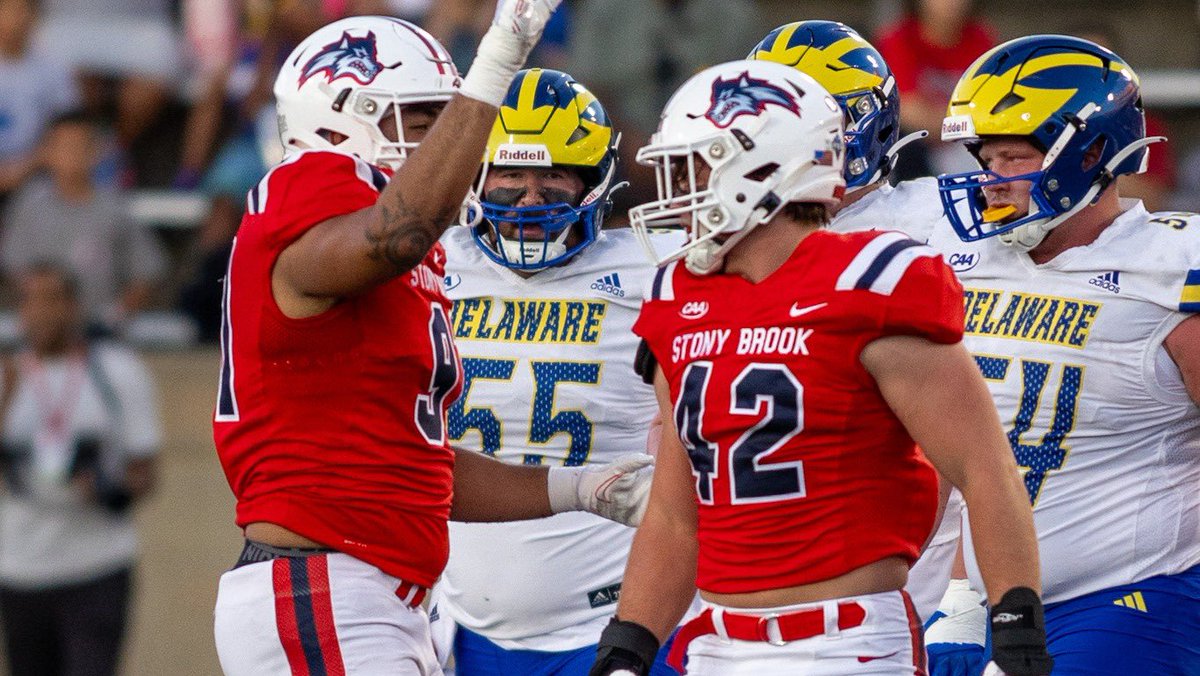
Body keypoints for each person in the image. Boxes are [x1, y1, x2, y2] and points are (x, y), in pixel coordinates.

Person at [211, 9, 657, 675]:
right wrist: (499, 56)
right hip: (323, 582)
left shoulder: (396, 265)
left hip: (380, 597)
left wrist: (583, 489)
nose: (457, 146)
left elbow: (420, 470)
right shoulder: (311, 189)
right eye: (426, 123)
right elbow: (398, 233)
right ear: (345, 117)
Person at [588, 58, 1052, 676]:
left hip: (845, 642)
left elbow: (985, 468)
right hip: (715, 643)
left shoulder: (873, 277)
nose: (675, 192)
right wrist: (628, 646)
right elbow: (677, 514)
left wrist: (1015, 626)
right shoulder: (677, 292)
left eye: (693, 166)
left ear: (759, 167)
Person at [926, 34, 1200, 674]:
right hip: (990, 600)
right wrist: (963, 594)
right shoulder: (963, 264)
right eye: (984, 159)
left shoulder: (1168, 275)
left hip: (1133, 593)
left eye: (1011, 158)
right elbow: (976, 456)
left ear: (1092, 151)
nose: (990, 181)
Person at [433, 67, 684, 675]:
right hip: (456, 626)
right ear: (477, 177)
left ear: (592, 182)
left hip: (620, 621)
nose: (531, 195)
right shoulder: (434, 263)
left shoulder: (654, 268)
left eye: (554, 175)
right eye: (512, 174)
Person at [746, 18, 965, 626]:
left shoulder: (946, 225)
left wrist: (967, 596)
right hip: (748, 572)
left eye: (817, 127)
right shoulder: (720, 238)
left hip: (904, 583)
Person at [0, 262, 161, 676]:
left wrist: (108, 486)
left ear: (74, 306)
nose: (41, 313)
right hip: (21, 568)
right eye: (29, 301)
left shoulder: (117, 370)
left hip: (96, 564)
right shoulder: (7, 375)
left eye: (52, 299)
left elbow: (145, 471)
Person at [0, 111, 168, 336]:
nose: (72, 155)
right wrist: (43, 310)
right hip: (39, 337)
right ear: (47, 152)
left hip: (99, 334)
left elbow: (147, 272)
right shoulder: (29, 206)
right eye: (63, 146)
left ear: (96, 152)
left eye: (80, 146)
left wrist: (114, 315)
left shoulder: (115, 209)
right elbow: (14, 270)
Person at [875, 0, 996, 179]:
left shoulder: (981, 39)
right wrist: (960, 126)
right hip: (922, 143)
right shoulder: (898, 38)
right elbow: (907, 109)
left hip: (964, 143)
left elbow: (989, 106)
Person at [0, 0, 79, 205]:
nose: (15, 19)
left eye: (22, 10)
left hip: (37, 173)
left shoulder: (53, 67)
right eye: (7, 9)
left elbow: (68, 126)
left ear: (34, 16)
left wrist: (30, 163)